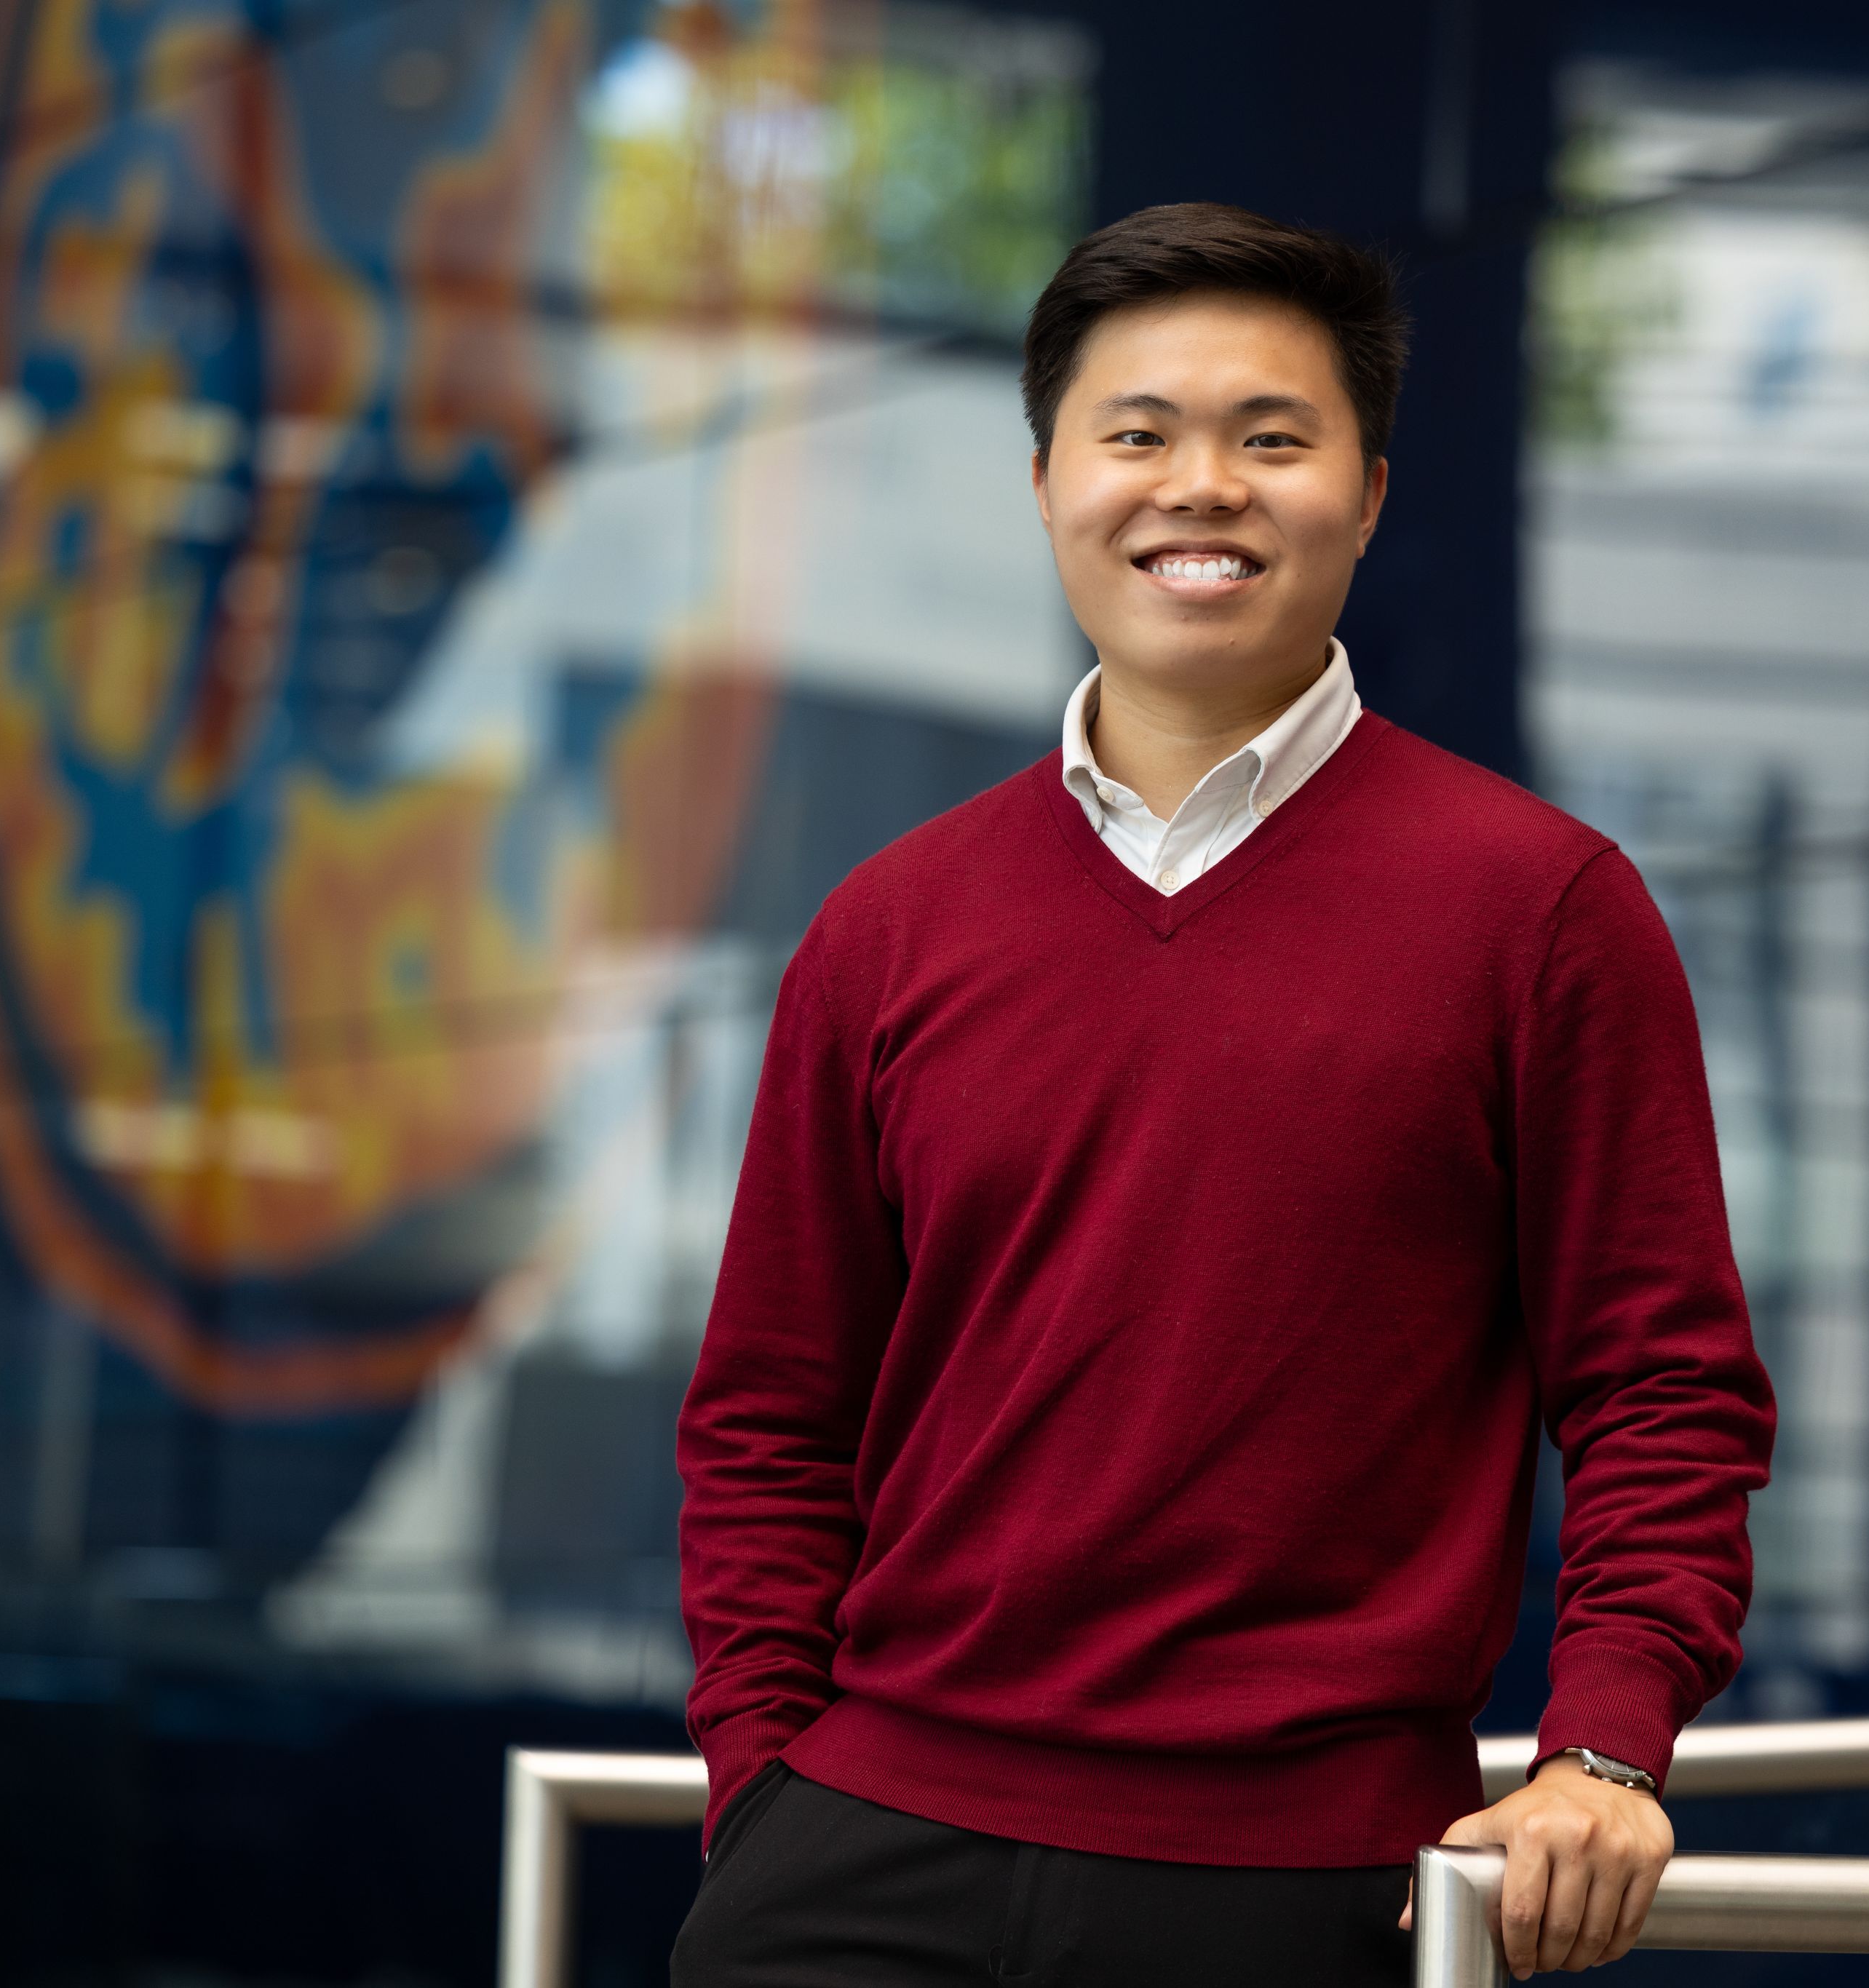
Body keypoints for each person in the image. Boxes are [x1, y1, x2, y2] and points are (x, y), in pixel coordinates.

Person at [671, 202, 1774, 1987]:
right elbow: (769, 1415)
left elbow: (1661, 1388)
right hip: (861, 1869)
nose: (1202, 486)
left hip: (1304, 1887)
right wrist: (764, 1785)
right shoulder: (888, 924)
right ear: (1045, 484)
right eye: (1136, 435)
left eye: (1271, 437)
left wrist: (1604, 1743)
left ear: (1369, 492)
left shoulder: (1540, 909)